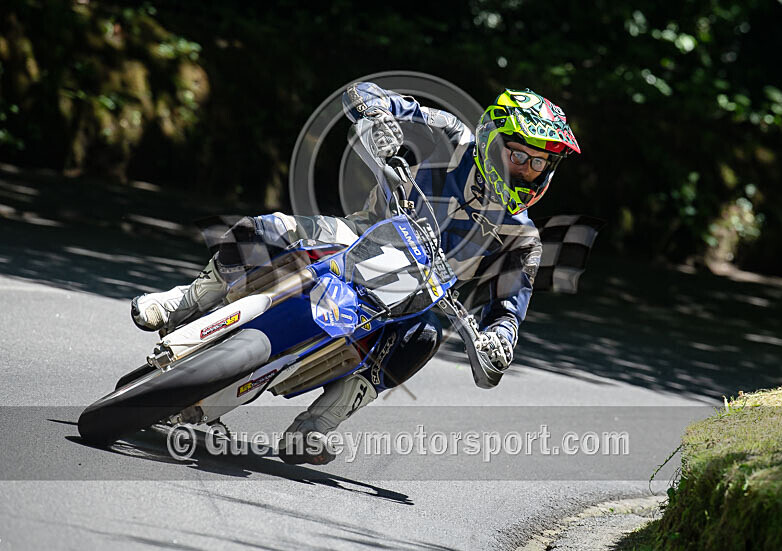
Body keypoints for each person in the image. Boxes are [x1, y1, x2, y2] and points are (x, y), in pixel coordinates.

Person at [131, 82, 580, 465]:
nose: (526, 169)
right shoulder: (450, 135)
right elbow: (367, 94)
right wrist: (375, 110)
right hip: (358, 235)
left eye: (539, 163)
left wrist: (499, 340)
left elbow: (508, 309)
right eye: (517, 153)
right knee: (268, 228)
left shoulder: (523, 240)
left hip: (416, 296)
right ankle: (184, 302)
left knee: (424, 337)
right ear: (490, 136)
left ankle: (317, 425)